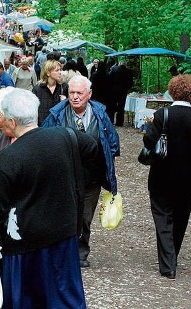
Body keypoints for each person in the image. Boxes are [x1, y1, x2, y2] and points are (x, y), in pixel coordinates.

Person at [0, 88, 97, 309]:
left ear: (12, 121)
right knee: (64, 297)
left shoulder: (8, 158)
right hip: (63, 234)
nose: (1, 123)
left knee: (27, 299)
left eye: (3, 119)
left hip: (25, 243)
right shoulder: (64, 136)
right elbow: (92, 147)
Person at [142, 74, 191, 280]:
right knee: (181, 218)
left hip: (161, 176)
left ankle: (168, 264)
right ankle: (171, 256)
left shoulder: (162, 115)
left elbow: (149, 142)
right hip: (188, 178)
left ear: (172, 91)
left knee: (162, 217)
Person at [42, 75, 120, 268]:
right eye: (72, 93)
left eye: (79, 93)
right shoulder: (57, 114)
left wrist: (104, 160)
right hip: (65, 176)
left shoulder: (100, 114)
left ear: (89, 94)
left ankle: (81, 253)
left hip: (92, 177)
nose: (75, 97)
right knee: (64, 215)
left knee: (85, 217)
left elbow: (113, 142)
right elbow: (44, 140)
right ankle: (61, 252)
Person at [32, 59, 68, 126]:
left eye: (60, 69)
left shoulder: (64, 87)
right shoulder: (38, 89)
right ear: (48, 73)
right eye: (57, 70)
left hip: (58, 126)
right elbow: (33, 110)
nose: (60, 72)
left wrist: (65, 101)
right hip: (42, 126)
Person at [108, 61, 134, 126]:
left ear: (119, 64)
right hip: (123, 91)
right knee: (121, 107)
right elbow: (130, 82)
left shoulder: (114, 69)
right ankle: (119, 122)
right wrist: (127, 89)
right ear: (126, 65)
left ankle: (111, 120)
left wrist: (111, 87)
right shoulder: (129, 71)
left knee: (112, 106)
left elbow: (109, 79)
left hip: (113, 91)